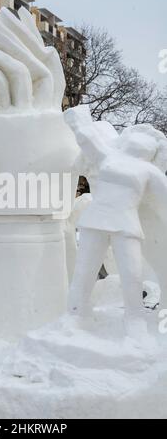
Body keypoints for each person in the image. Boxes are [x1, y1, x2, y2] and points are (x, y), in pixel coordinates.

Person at [64, 106, 167, 338]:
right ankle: (76, 312)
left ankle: (135, 318)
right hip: (95, 221)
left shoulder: (150, 171)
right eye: (139, 136)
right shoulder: (109, 156)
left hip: (127, 226)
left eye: (151, 142)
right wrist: (78, 119)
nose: (142, 142)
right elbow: (88, 139)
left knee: (132, 273)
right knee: (84, 270)